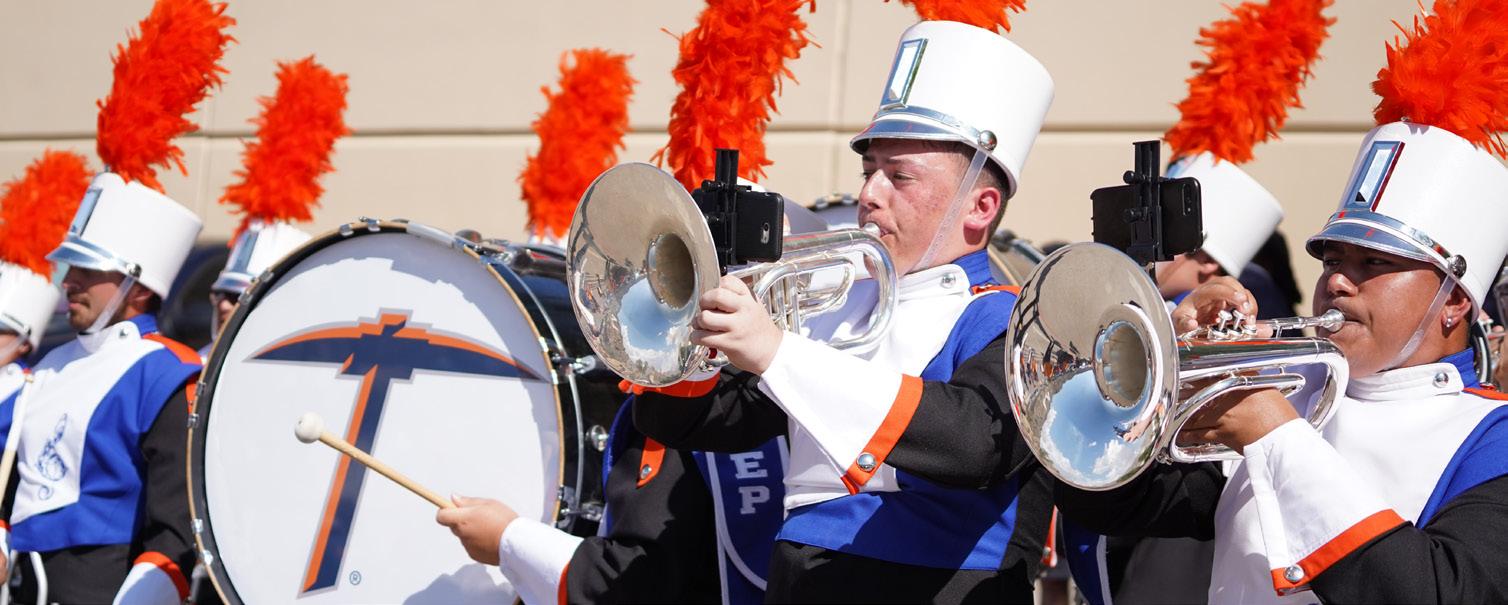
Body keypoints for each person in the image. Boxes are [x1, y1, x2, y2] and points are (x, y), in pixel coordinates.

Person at [633, 19, 1058, 602]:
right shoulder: (837, 306)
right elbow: (689, 423)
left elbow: (974, 441)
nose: (869, 194)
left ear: (980, 207)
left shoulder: (1010, 318)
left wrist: (777, 352)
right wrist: (693, 339)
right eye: (869, 171)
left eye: (899, 176)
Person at [1, 172, 206, 603]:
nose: (68, 281)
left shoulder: (166, 371)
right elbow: (11, 490)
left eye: (88, 268)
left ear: (138, 287)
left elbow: (175, 528)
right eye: (70, 266)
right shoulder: (49, 367)